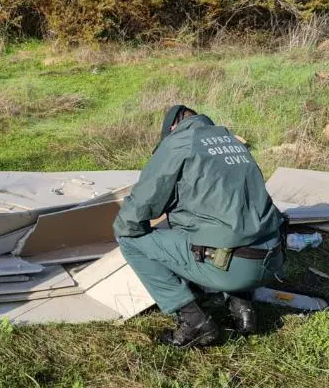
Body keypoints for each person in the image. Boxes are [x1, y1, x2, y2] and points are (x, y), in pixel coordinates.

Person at [113, 105, 286, 349]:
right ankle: (242, 306)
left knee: (129, 240)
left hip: (230, 267)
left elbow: (142, 203)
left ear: (173, 127)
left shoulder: (179, 143)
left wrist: (126, 227)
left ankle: (194, 322)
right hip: (270, 261)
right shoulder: (231, 141)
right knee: (233, 224)